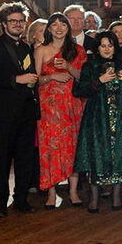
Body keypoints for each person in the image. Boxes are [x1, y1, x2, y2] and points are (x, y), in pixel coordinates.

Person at [73, 32, 122, 212]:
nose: (106, 49)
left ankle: (116, 198)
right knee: (97, 156)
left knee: (119, 155)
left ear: (115, 47)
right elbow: (80, 90)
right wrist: (99, 80)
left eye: (110, 45)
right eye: (103, 45)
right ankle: (94, 199)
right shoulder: (90, 66)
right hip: (97, 118)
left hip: (121, 117)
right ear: (97, 47)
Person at [0, 2, 40, 217]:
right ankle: (1, 202)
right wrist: (16, 79)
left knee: (25, 158)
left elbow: (30, 74)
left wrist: (32, 82)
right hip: (3, 114)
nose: (18, 24)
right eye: (13, 21)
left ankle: (21, 199)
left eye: (21, 21)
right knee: (3, 159)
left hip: (26, 111)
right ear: (4, 23)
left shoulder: (26, 47)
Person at [35, 13, 87, 208]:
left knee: (72, 147)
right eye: (54, 25)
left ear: (67, 28)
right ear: (49, 29)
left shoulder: (78, 50)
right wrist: (53, 76)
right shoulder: (41, 50)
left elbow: (83, 77)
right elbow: (35, 79)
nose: (58, 28)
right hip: (49, 109)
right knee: (50, 148)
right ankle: (51, 192)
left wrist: (68, 66)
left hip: (72, 106)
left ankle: (73, 192)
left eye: (62, 24)